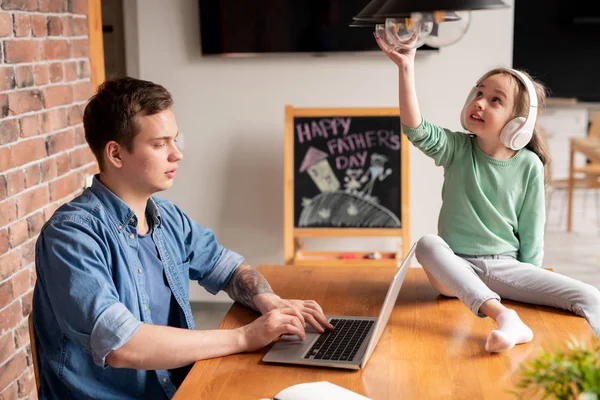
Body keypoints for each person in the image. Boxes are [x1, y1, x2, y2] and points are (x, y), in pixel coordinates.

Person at [32, 77, 334, 399]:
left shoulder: (167, 217)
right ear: (116, 154)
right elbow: (122, 344)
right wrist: (245, 338)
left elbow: (228, 268)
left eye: (175, 141)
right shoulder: (72, 236)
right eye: (160, 144)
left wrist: (270, 302)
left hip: (184, 389)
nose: (177, 155)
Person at [375, 33, 600, 353]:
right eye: (478, 93)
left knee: (590, 296)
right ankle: (503, 316)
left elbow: (532, 234)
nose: (479, 102)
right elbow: (416, 128)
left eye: (495, 100)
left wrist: (530, 284)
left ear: (518, 124)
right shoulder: (456, 149)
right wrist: (406, 67)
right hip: (454, 271)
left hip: (506, 268)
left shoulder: (529, 165)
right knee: (427, 244)